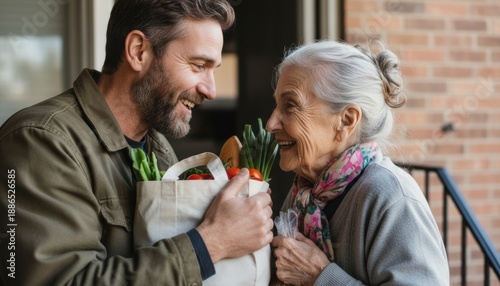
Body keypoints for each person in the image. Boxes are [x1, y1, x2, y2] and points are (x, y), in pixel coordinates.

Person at [0, 0, 274, 285]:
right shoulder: (41, 141)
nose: (211, 90)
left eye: (213, 69)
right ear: (138, 51)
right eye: (197, 65)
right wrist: (211, 243)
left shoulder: (159, 150)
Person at [267, 40, 450, 285]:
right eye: (277, 104)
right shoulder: (303, 195)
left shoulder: (391, 196)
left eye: (290, 105)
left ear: (346, 120)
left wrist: (319, 277)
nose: (271, 123)